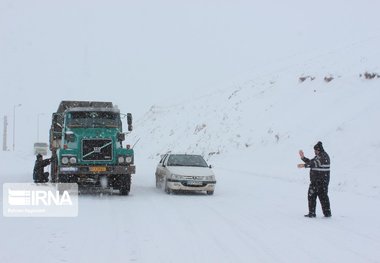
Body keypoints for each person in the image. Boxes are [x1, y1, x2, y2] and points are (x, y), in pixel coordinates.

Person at [297, 141, 332, 218]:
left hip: (322, 182)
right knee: (311, 196)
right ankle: (312, 213)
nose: (314, 152)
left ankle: (327, 214)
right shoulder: (318, 156)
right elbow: (311, 162)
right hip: (315, 182)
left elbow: (315, 163)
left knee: (323, 198)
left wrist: (304, 165)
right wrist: (303, 158)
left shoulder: (324, 156)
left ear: (319, 150)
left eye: (315, 150)